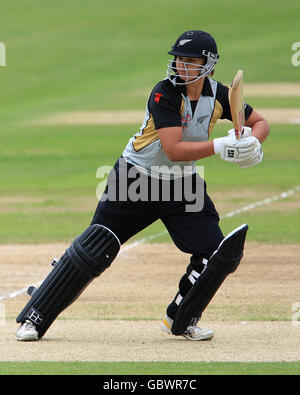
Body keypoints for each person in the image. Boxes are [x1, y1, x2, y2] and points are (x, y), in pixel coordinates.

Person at [16, 30, 269, 341]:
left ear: (209, 65)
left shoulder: (219, 95)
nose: (181, 66)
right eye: (178, 59)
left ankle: (182, 317)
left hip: (181, 186)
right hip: (135, 179)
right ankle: (35, 314)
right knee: (95, 251)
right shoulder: (164, 93)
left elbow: (261, 123)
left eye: (190, 61)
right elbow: (173, 148)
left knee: (216, 252)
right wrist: (221, 146)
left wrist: (250, 143)